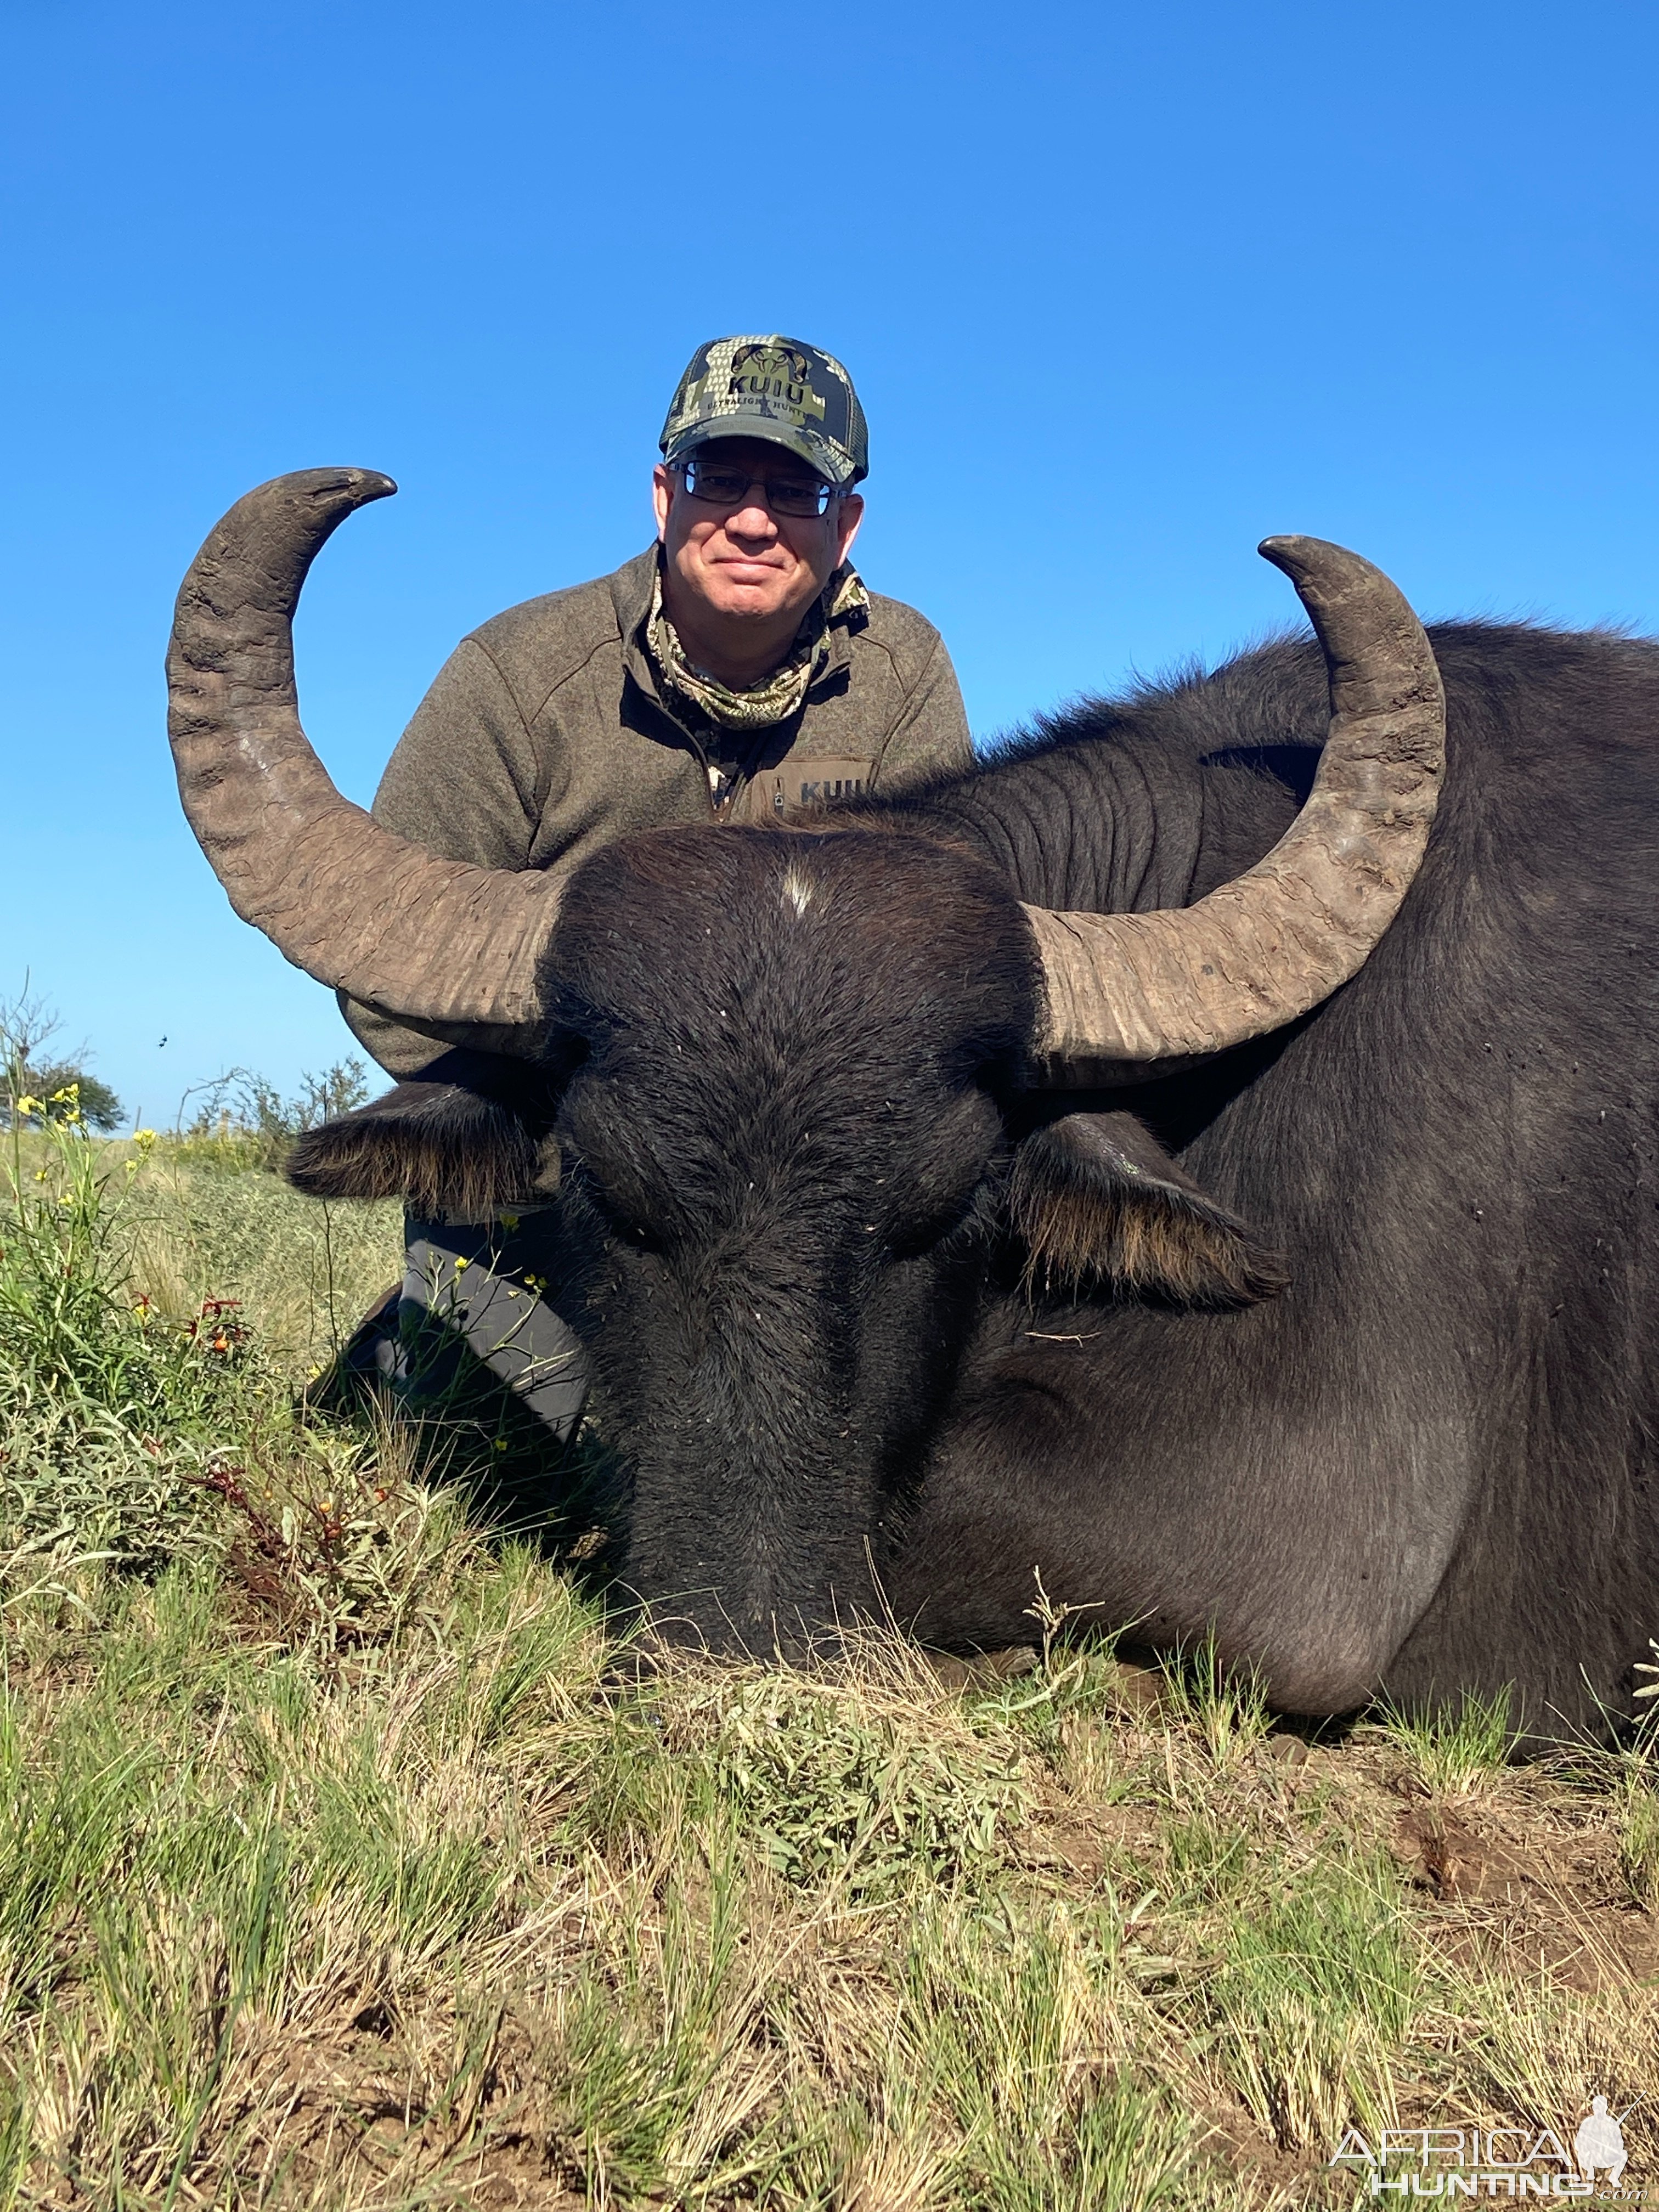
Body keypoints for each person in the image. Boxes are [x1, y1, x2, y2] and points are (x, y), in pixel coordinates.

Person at [341, 335, 974, 1447]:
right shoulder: (519, 675)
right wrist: (603, 1144)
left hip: (799, 1200)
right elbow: (390, 958)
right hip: (559, 1172)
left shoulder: (906, 674)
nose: (752, 519)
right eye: (717, 478)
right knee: (512, 1447)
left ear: (848, 522)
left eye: (796, 488)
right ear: (661, 494)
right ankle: (426, 1333)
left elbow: (933, 962)